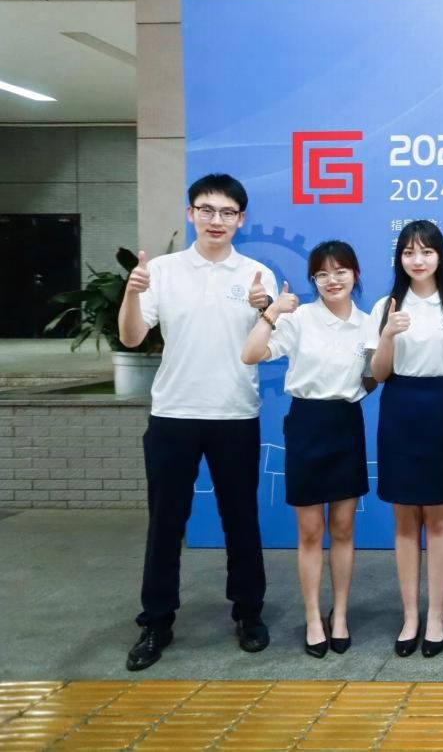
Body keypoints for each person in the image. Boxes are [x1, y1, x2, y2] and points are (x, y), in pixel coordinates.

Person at [117, 173, 276, 671]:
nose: (216, 220)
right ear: (191, 213)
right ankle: (156, 620)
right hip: (174, 414)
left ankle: (248, 612)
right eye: (206, 210)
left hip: (235, 413)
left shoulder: (258, 274)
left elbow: (269, 345)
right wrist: (131, 293)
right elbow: (131, 338)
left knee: (241, 519)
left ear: (241, 219)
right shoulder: (162, 271)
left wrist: (266, 310)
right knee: (165, 523)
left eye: (227, 212)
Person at [240, 240, 377, 658]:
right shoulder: (299, 319)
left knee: (343, 528)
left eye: (340, 271)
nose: (332, 280)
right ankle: (314, 616)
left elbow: (375, 375)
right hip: (305, 423)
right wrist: (272, 312)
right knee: (311, 531)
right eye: (322, 274)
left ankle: (340, 615)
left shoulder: (368, 324)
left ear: (355, 274)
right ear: (313, 279)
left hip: (346, 424)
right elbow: (251, 353)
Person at [370, 220, 443, 658]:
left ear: (440, 257)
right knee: (403, 520)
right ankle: (410, 615)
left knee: (438, 518)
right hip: (400, 410)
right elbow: (377, 375)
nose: (418, 260)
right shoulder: (386, 306)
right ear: (399, 258)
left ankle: (436, 614)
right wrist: (388, 334)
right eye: (409, 252)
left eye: (427, 252)